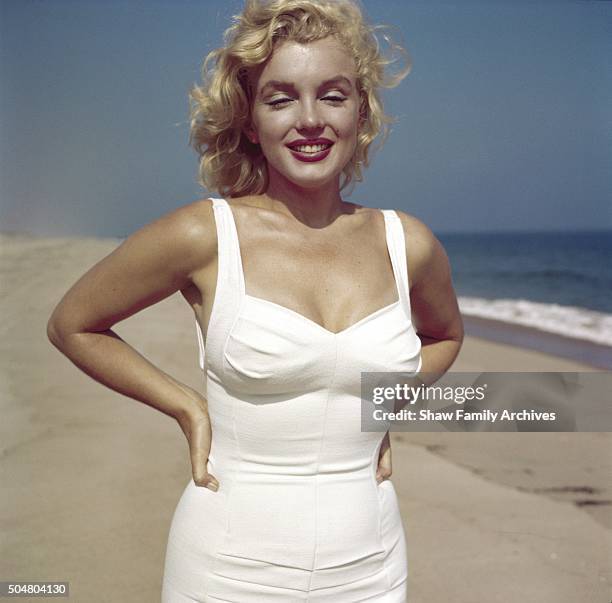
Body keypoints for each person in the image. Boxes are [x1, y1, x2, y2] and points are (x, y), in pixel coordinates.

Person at [47, 0, 463, 600]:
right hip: (227, 568)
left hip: (373, 567)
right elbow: (73, 324)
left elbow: (446, 336)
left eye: (334, 94)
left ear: (362, 109)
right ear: (249, 120)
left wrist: (381, 399)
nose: (310, 119)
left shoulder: (409, 243)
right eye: (281, 98)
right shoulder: (203, 235)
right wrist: (186, 405)